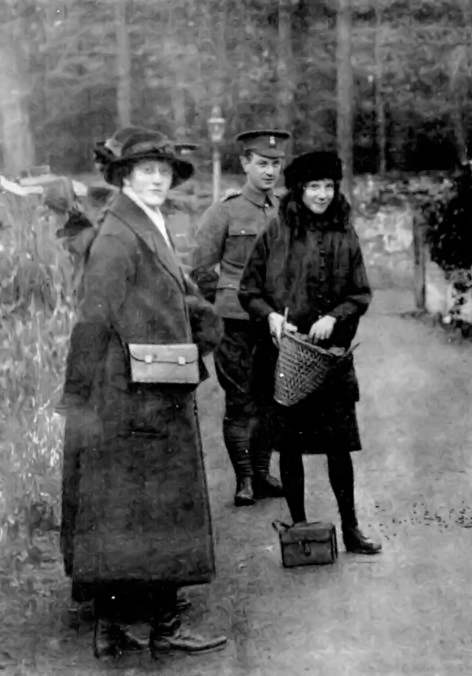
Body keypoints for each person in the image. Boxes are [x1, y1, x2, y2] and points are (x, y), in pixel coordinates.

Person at [59, 127, 227, 657]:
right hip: (130, 392)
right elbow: (93, 317)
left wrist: (203, 318)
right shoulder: (117, 234)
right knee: (145, 508)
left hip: (154, 385)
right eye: (146, 171)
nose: (157, 179)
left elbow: (174, 288)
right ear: (124, 176)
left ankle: (123, 627)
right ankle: (149, 627)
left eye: (163, 171)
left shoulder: (144, 222)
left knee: (132, 508)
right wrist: (78, 395)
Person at [239, 150, 382, 555]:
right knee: (290, 447)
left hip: (330, 360)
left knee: (339, 448)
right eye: (313, 186)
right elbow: (248, 290)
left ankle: (351, 530)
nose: (321, 194)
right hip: (286, 359)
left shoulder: (344, 233)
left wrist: (335, 318)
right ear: (299, 189)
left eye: (328, 186)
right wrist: (269, 317)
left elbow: (360, 294)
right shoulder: (277, 231)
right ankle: (300, 532)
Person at [190, 129, 291, 506]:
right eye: (262, 164)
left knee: (272, 399)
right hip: (234, 322)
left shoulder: (286, 209)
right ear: (245, 163)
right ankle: (245, 480)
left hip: (277, 322)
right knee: (240, 400)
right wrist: (224, 303)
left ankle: (263, 473)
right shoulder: (225, 211)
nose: (269, 171)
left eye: (276, 164)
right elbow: (200, 268)